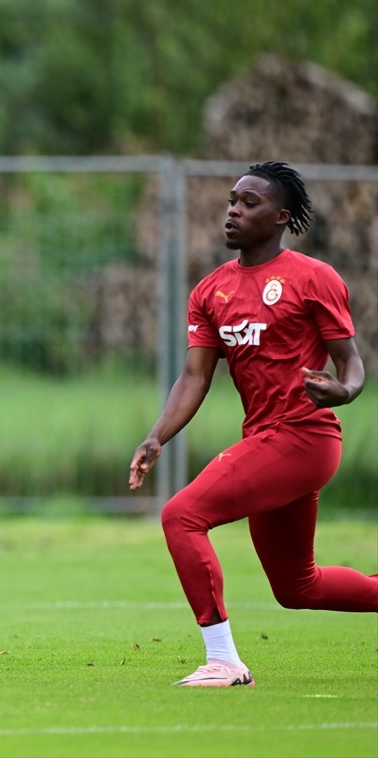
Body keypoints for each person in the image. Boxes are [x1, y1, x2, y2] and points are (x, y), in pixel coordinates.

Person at [129, 160, 377, 687]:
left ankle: (223, 660)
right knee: (297, 588)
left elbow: (351, 362)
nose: (233, 212)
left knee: (181, 516)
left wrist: (345, 390)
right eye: (231, 202)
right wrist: (157, 436)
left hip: (305, 436)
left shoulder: (313, 277)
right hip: (266, 439)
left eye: (248, 203)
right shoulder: (210, 291)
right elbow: (194, 377)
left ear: (281, 217)